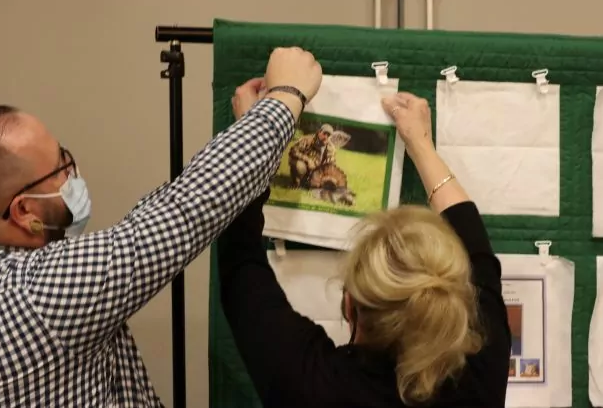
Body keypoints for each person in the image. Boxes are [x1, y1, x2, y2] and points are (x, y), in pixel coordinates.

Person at [0, 47, 322, 407]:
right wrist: (287, 97)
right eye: (59, 167)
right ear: (24, 210)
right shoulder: (33, 298)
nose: (71, 172)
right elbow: (183, 212)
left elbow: (151, 220)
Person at [218, 92, 511, 407]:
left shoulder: (311, 385)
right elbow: (476, 249)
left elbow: (240, 263)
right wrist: (421, 144)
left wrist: (258, 127)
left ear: (349, 304)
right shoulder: (480, 375)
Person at [288, 123, 337, 187]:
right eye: (324, 133)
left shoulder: (331, 147)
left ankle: (309, 181)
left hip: (317, 169)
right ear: (319, 132)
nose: (326, 137)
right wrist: (308, 160)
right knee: (299, 166)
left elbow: (331, 163)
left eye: (328, 135)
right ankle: (296, 182)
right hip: (304, 164)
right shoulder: (307, 139)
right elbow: (293, 151)